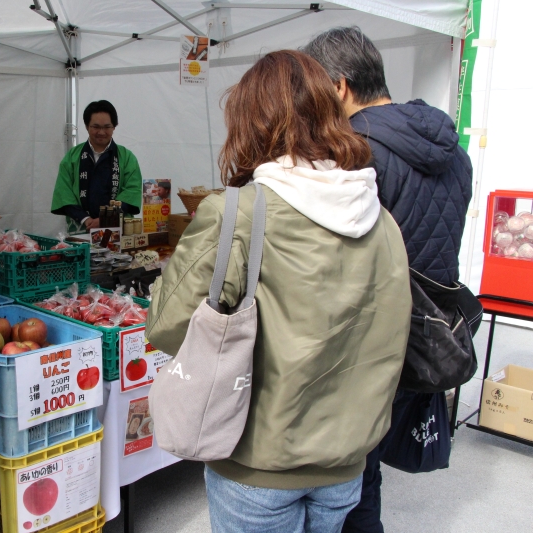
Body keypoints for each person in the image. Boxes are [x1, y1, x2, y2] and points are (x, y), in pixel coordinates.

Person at [145, 50, 411, 533]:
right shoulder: (381, 219)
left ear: (250, 124)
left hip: (258, 460)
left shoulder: (237, 214)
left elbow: (166, 327)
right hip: (346, 461)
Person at [303, 27, 473, 533]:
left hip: (369, 339)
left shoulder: (355, 151)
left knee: (353, 475)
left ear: (339, 86)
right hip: (429, 332)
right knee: (368, 462)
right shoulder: (453, 149)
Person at [51, 100, 143, 234]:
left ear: (114, 127)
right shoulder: (72, 156)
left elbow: (132, 191)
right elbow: (64, 193)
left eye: (107, 127)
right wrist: (85, 218)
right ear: (86, 126)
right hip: (81, 228)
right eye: (96, 127)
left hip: (116, 230)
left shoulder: (127, 157)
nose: (101, 132)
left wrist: (105, 219)